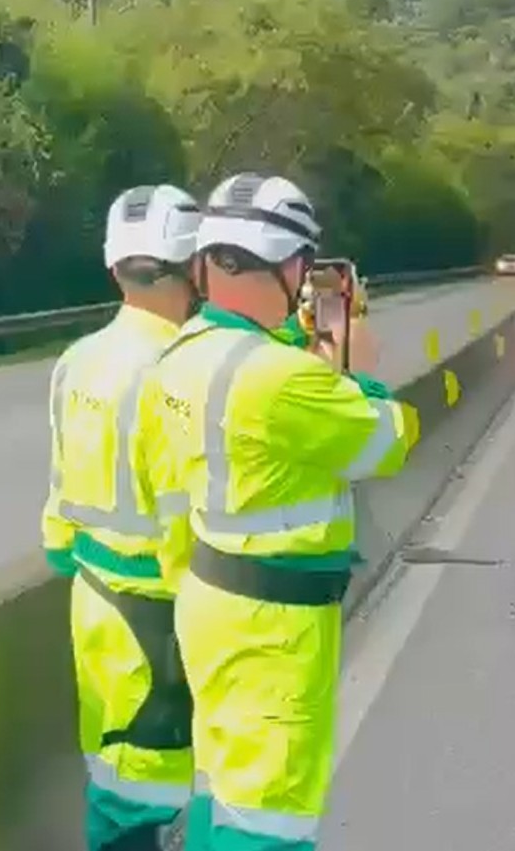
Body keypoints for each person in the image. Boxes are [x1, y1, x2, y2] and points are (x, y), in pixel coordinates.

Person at [142, 173, 418, 850]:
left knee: (223, 787)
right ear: (290, 266)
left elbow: (169, 491)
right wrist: (359, 365)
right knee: (269, 815)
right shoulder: (281, 378)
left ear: (207, 261)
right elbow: (387, 438)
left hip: (208, 599)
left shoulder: (181, 357)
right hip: (276, 629)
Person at [41, 184, 204, 850]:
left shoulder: (75, 360)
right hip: (162, 613)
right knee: (163, 789)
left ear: (114, 268)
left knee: (111, 775)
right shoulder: (182, 370)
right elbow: (189, 516)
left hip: (93, 602)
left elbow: (59, 504)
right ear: (196, 269)